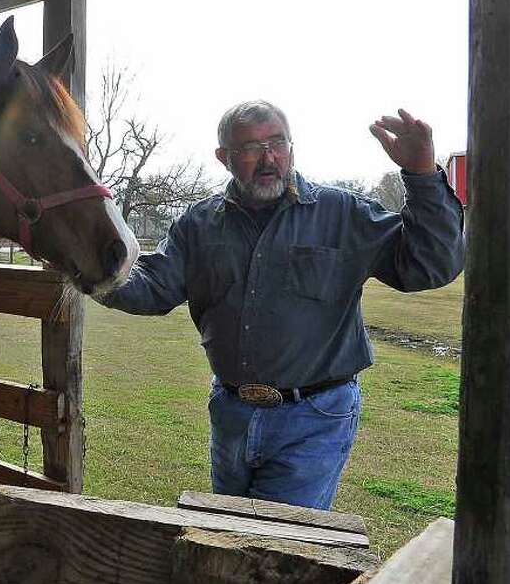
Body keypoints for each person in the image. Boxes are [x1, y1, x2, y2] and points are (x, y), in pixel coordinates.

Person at [95, 100, 464, 510]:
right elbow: (153, 286)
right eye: (251, 148)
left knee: (276, 546)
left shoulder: (342, 214)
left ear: (292, 146)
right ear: (225, 158)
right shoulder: (199, 225)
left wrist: (422, 175)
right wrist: (85, 263)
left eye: (277, 143)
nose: (268, 158)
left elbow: (431, 265)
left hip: (314, 417)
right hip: (231, 414)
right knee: (230, 533)